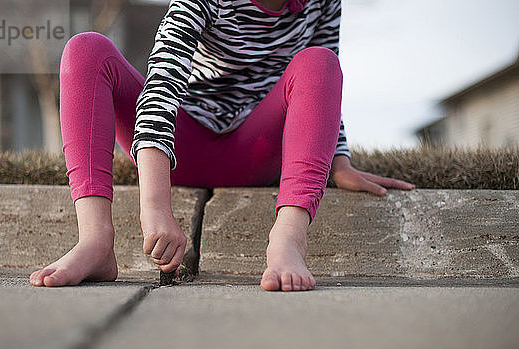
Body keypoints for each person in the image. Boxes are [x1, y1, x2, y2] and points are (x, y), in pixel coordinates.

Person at [29, 0, 414, 291]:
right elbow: (160, 86)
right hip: (184, 144)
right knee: (86, 49)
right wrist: (155, 206)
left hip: (256, 149)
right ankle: (95, 240)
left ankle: (288, 238)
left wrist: (339, 161)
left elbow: (324, 81)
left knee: (321, 61)